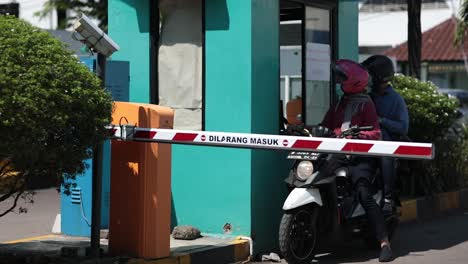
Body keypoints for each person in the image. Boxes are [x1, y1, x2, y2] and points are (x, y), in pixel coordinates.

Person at [321, 59, 393, 262]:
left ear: (353, 82)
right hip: (337, 156)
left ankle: (384, 242)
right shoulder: (339, 103)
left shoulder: (366, 104)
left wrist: (358, 137)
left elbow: (376, 133)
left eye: (341, 79)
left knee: (363, 193)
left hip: (359, 159)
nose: (338, 82)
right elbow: (326, 125)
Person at [361, 55, 409, 214]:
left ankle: (388, 197)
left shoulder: (396, 100)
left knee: (385, 153)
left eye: (370, 75)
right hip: (363, 140)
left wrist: (382, 121)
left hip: (384, 143)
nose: (367, 79)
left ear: (379, 77)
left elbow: (403, 127)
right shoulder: (365, 96)